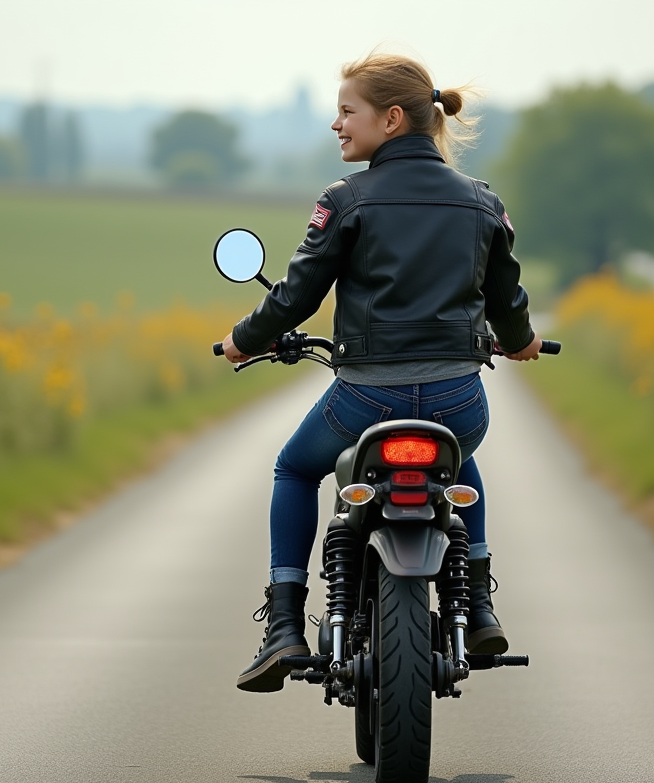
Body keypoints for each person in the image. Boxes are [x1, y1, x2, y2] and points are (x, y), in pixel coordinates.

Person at [221, 53, 542, 693]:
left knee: (294, 467)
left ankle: (283, 623)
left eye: (347, 112)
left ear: (391, 119)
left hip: (366, 398)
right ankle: (477, 603)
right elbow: (507, 298)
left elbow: (296, 296)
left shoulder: (346, 200)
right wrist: (523, 342)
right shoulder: (482, 202)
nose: (336, 126)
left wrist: (241, 340)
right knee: (459, 459)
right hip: (458, 400)